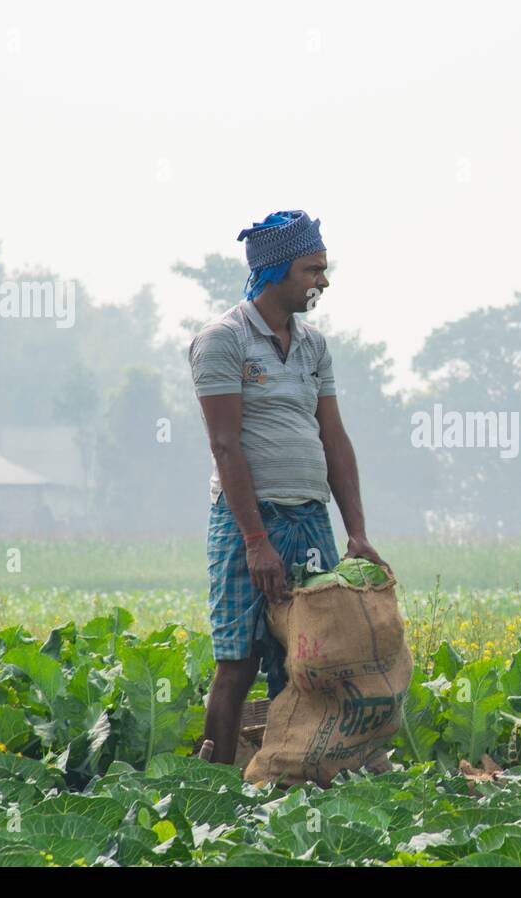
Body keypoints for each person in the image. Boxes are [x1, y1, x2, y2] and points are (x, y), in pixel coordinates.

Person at [187, 209, 390, 764]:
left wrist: (358, 533)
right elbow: (226, 446)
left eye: (323, 269)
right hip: (246, 521)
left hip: (309, 520)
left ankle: (292, 780)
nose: (321, 281)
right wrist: (256, 541)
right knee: (238, 658)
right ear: (275, 270)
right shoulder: (222, 341)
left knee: (310, 658)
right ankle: (213, 787)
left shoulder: (313, 346)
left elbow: (334, 438)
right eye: (311, 270)